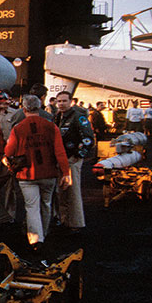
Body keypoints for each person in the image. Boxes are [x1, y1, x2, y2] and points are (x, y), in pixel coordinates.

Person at [5, 95, 71, 251]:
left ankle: (36, 240)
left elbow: (9, 151)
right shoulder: (51, 127)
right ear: (40, 108)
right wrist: (66, 173)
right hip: (49, 174)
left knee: (31, 206)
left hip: (27, 175)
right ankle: (44, 232)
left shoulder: (18, 129)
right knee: (46, 204)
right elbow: (60, 152)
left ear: (24, 109)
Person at [53, 91, 95, 233]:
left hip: (72, 158)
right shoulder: (57, 117)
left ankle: (76, 223)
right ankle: (64, 220)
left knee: (73, 191)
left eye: (64, 101)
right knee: (61, 192)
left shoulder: (78, 116)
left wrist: (79, 155)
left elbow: (88, 138)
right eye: (59, 101)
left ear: (71, 101)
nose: (61, 104)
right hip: (59, 158)